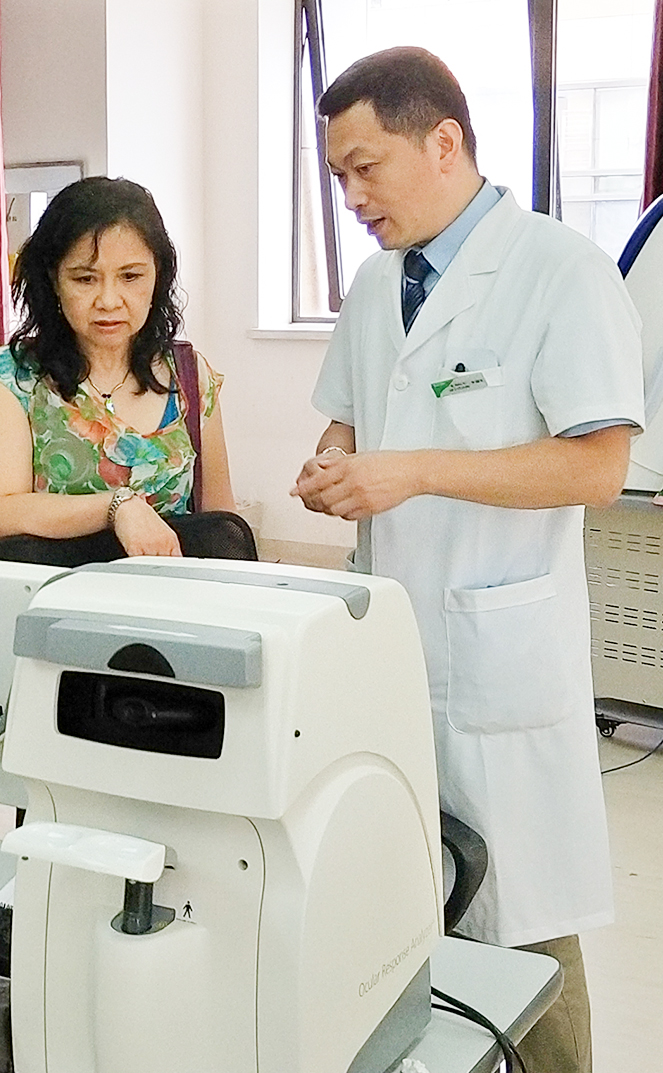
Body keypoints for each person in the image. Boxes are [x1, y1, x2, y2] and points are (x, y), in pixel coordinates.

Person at [292, 47, 645, 1073]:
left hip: (502, 656)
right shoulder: (374, 283)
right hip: (387, 645)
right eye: (338, 176)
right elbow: (348, 427)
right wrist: (330, 467)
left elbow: (597, 468)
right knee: (401, 901)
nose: (352, 197)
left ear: (443, 142)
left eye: (365, 168)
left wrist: (408, 472)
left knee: (523, 924)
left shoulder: (559, 270)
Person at [0, 176, 235, 557]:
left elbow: (221, 527)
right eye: (85, 279)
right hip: (51, 592)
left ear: (158, 276)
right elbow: (4, 510)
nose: (109, 301)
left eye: (130, 276)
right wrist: (117, 508)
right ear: (54, 281)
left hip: (170, 591)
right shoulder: (15, 379)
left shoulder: (190, 376)